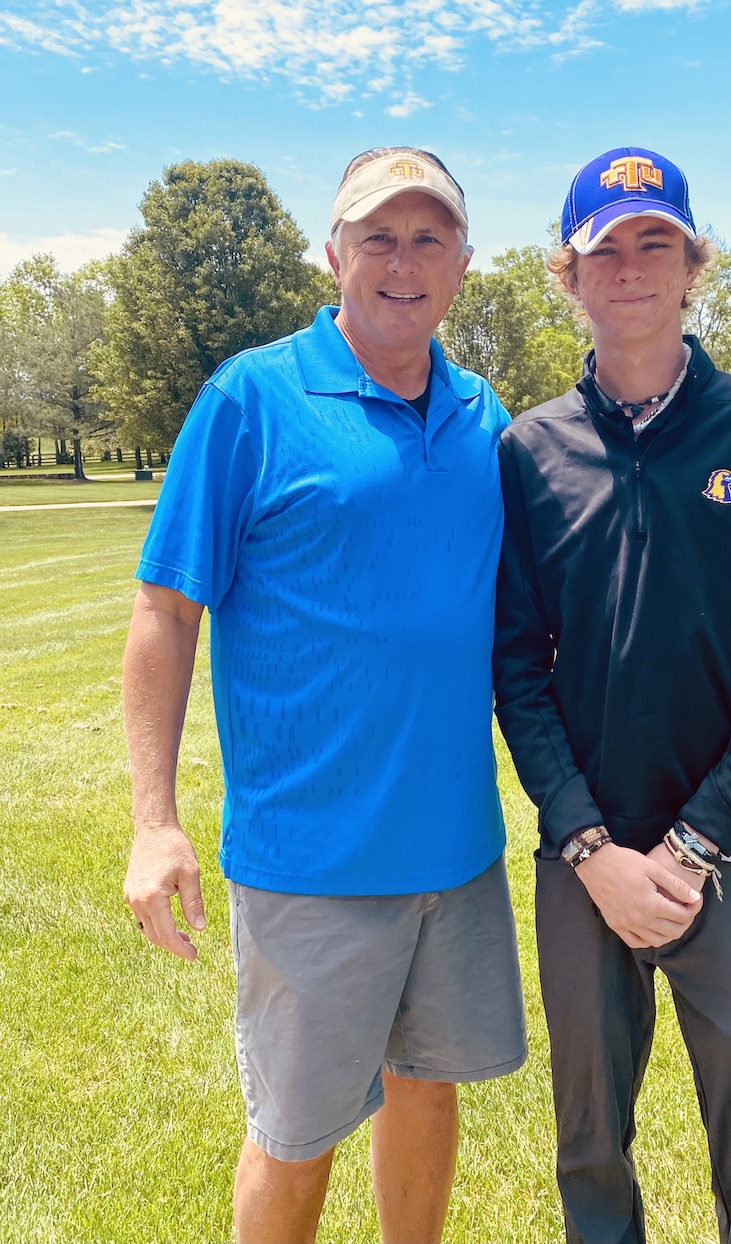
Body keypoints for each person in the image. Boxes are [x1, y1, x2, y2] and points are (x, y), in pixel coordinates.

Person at [123, 146, 526, 1244]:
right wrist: (153, 822)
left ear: (461, 262)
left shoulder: (484, 413)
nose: (403, 260)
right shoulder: (250, 397)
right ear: (334, 251)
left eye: (428, 236)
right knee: (296, 1135)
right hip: (310, 861)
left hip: (456, 846)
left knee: (427, 1087)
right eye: (378, 236)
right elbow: (165, 609)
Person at [493, 146, 731, 1244]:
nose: (631, 267)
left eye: (657, 242)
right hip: (581, 855)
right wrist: (590, 846)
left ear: (693, 265)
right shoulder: (528, 448)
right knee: (589, 1146)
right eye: (606, 247)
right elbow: (514, 662)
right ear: (569, 275)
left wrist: (689, 845)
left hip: (725, 857)